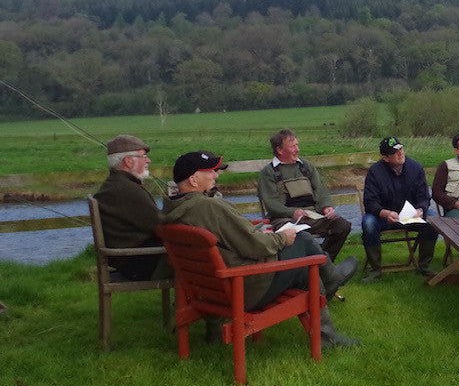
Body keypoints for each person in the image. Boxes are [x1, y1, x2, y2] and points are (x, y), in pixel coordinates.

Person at [161, 150, 358, 347]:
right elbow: (255, 247)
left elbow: (234, 240)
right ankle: (331, 289)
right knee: (303, 242)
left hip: (208, 291)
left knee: (303, 264)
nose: (216, 175)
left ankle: (329, 298)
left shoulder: (172, 212)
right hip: (244, 288)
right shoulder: (209, 208)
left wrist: (257, 233)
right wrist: (282, 238)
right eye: (210, 171)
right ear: (194, 180)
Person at [257, 129, 353, 264]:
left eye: (297, 145)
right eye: (293, 146)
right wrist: (293, 212)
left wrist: (326, 207)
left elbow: (321, 190)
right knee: (301, 236)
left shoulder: (306, 167)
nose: (298, 149)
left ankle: (323, 264)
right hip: (285, 219)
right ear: (279, 150)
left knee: (342, 226)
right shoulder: (269, 173)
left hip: (312, 217)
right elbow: (271, 203)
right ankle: (316, 268)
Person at [361, 137, 439, 282]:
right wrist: (385, 213)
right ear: (385, 158)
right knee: (368, 223)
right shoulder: (375, 172)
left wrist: (421, 209)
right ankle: (375, 271)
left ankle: (424, 266)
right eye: (395, 152)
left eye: (401, 149)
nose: (400, 153)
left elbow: (424, 197)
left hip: (411, 216)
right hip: (384, 218)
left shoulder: (416, 168)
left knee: (433, 219)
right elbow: (370, 202)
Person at [92, 134, 169, 280]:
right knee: (191, 259)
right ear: (128, 161)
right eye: (144, 156)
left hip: (127, 260)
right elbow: (161, 227)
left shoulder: (114, 184)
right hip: (138, 264)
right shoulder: (128, 190)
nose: (148, 160)